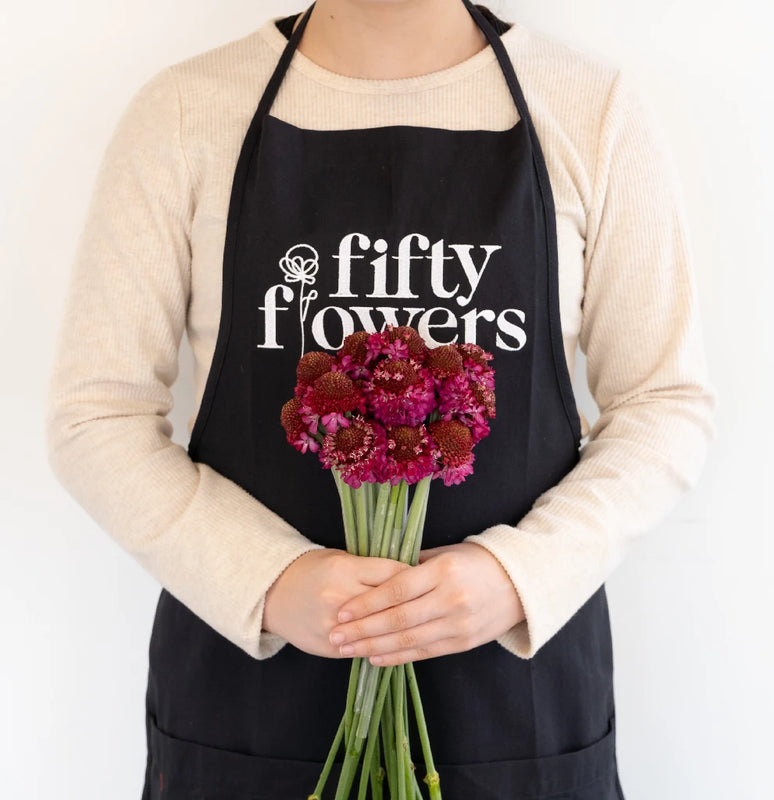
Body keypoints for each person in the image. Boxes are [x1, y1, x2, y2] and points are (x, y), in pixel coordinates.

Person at [45, 1, 717, 797]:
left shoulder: (589, 109)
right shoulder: (187, 111)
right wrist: (270, 579)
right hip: (251, 712)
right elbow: (96, 414)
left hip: (513, 712)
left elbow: (663, 401)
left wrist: (519, 575)